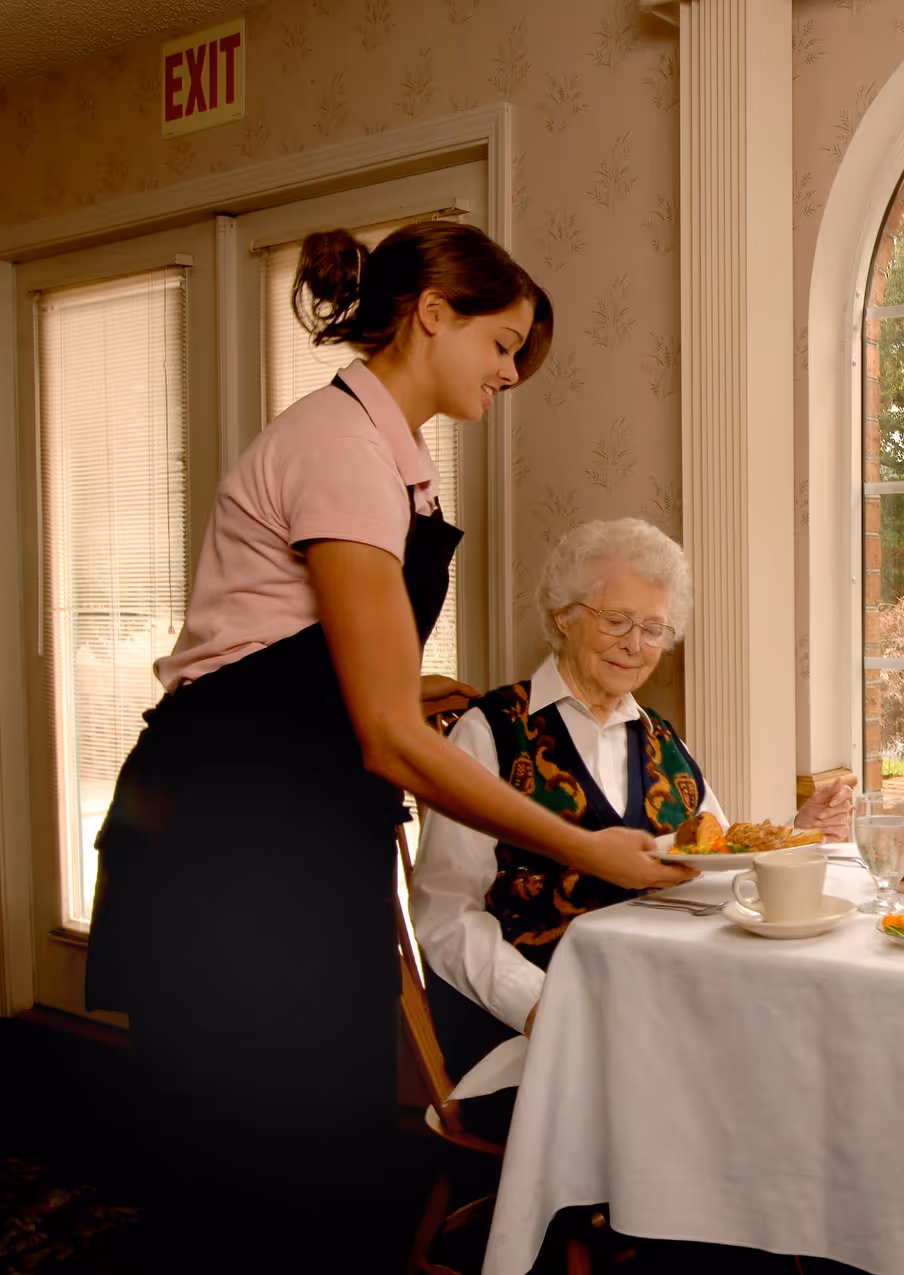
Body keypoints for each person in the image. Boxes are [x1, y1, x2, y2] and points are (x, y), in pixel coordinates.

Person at [84, 223, 693, 1272]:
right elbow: (385, 741)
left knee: (316, 1155)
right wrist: (585, 848)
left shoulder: (391, 460)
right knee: (244, 1168)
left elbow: (280, 654)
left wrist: (408, 687)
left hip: (291, 831)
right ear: (432, 313)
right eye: (502, 345)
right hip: (228, 845)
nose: (510, 374)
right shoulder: (342, 451)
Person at [409, 517, 854, 1139]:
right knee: (738, 1098)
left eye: (654, 629)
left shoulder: (662, 739)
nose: (635, 644)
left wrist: (795, 833)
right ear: (563, 613)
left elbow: (715, 868)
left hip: (658, 1004)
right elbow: (445, 916)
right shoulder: (490, 732)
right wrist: (541, 1006)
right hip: (531, 1025)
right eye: (616, 620)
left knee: (804, 1060)